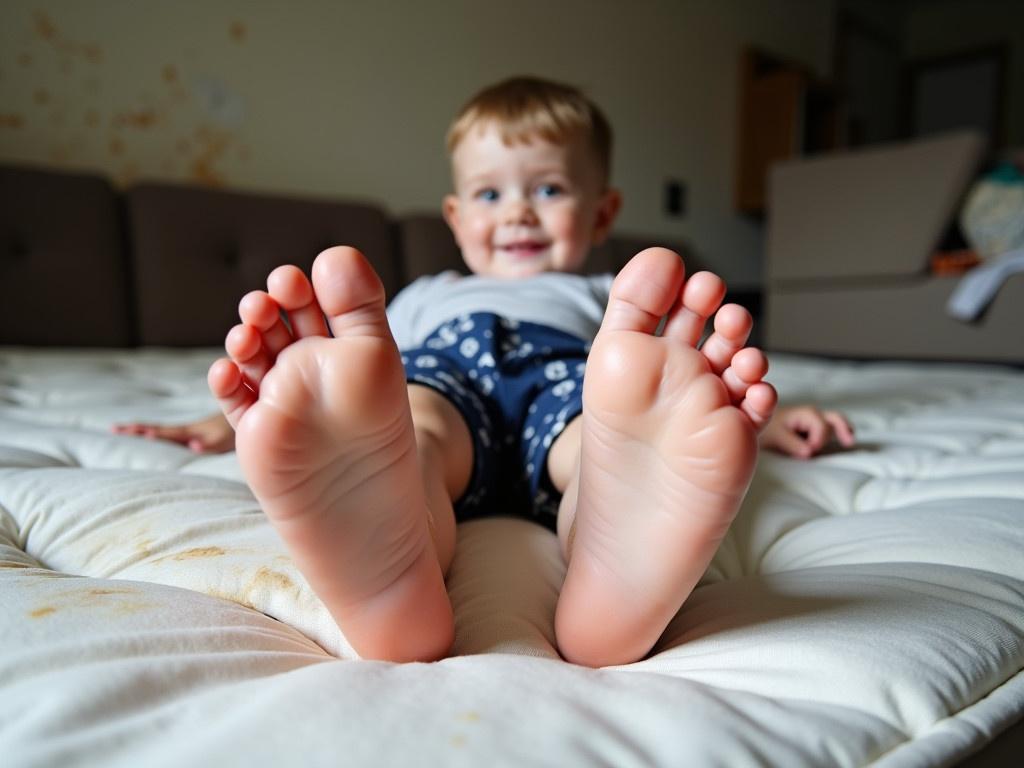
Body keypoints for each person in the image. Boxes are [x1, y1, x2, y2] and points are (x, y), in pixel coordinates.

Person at [114, 77, 854, 666]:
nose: (519, 213)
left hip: (576, 379)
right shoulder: (425, 297)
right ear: (457, 217)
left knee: (597, 434)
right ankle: (388, 532)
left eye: (550, 189)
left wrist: (762, 415)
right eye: (492, 193)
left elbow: (673, 390)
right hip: (448, 376)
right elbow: (351, 392)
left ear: (603, 215)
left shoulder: (612, 299)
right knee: (415, 423)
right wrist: (234, 416)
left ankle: (616, 528)